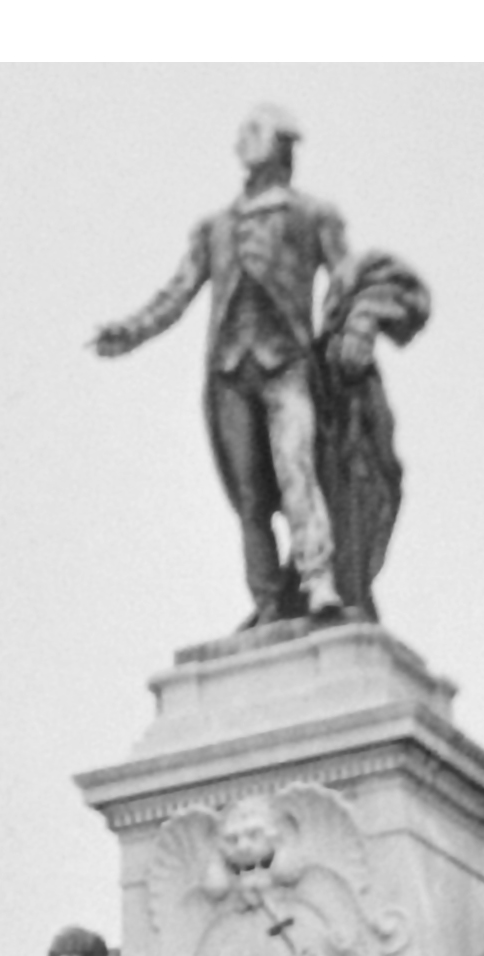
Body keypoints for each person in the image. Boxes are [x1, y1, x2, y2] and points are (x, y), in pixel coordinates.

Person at [91, 105, 356, 625]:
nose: (240, 143)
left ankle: (318, 578)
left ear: (280, 145)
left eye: (252, 133)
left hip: (288, 366)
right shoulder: (214, 228)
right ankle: (265, 601)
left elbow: (347, 279)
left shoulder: (313, 215)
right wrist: (131, 331)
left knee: (296, 467)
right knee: (250, 498)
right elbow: (177, 292)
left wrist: (346, 330)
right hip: (230, 376)